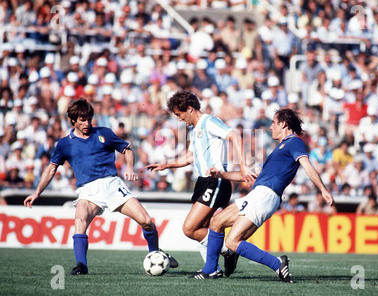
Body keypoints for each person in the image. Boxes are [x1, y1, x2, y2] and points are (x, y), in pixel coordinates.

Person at [24, 98, 178, 275]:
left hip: (112, 185)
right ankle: (81, 266)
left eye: (89, 118)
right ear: (73, 120)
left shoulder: (103, 133)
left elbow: (127, 149)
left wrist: (128, 167)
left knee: (146, 221)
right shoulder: (65, 143)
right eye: (82, 119)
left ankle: (156, 253)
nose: (87, 123)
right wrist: (37, 192)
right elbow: (51, 168)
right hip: (88, 190)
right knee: (80, 221)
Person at [192, 108, 334, 281]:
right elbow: (248, 175)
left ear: (283, 124)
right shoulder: (278, 150)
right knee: (216, 221)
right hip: (257, 194)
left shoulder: (294, 142)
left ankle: (277, 263)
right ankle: (210, 269)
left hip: (265, 196)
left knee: (232, 242)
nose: (270, 127)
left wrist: (323, 189)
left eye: (273, 123)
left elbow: (307, 165)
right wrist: (220, 174)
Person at [146, 90, 253, 276]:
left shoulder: (209, 122)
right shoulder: (194, 130)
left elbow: (235, 136)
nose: (179, 119)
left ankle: (228, 251)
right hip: (204, 182)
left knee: (189, 228)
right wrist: (166, 165)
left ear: (189, 109)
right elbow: (189, 156)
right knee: (201, 228)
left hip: (215, 181)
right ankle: (213, 268)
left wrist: (243, 165)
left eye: (179, 115)